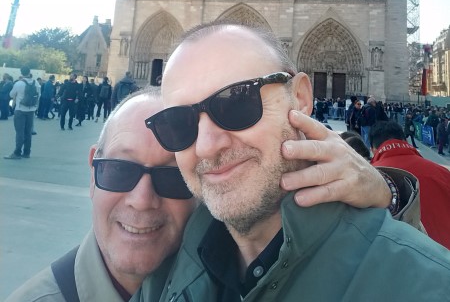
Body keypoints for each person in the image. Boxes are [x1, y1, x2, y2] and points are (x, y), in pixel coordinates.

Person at [138, 23, 450, 301]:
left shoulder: (428, 285)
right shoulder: (162, 269)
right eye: (177, 122)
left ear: (300, 97)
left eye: (237, 102)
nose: (206, 146)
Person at [4, 89, 397, 302]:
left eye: (173, 177)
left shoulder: (237, 269)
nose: (141, 199)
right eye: (120, 170)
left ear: (205, 187)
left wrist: (387, 194)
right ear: (93, 171)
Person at [370, 120, 450, 249]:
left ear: (373, 149)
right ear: (405, 141)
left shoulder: (370, 179)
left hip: (406, 256)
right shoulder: (442, 172)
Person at [4, 67, 40, 159]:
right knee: (28, 132)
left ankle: (17, 153)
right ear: (29, 72)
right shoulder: (36, 83)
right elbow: (39, 95)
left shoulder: (19, 83)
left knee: (19, 132)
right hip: (31, 110)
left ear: (21, 73)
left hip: (20, 110)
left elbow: (11, 94)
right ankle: (27, 152)